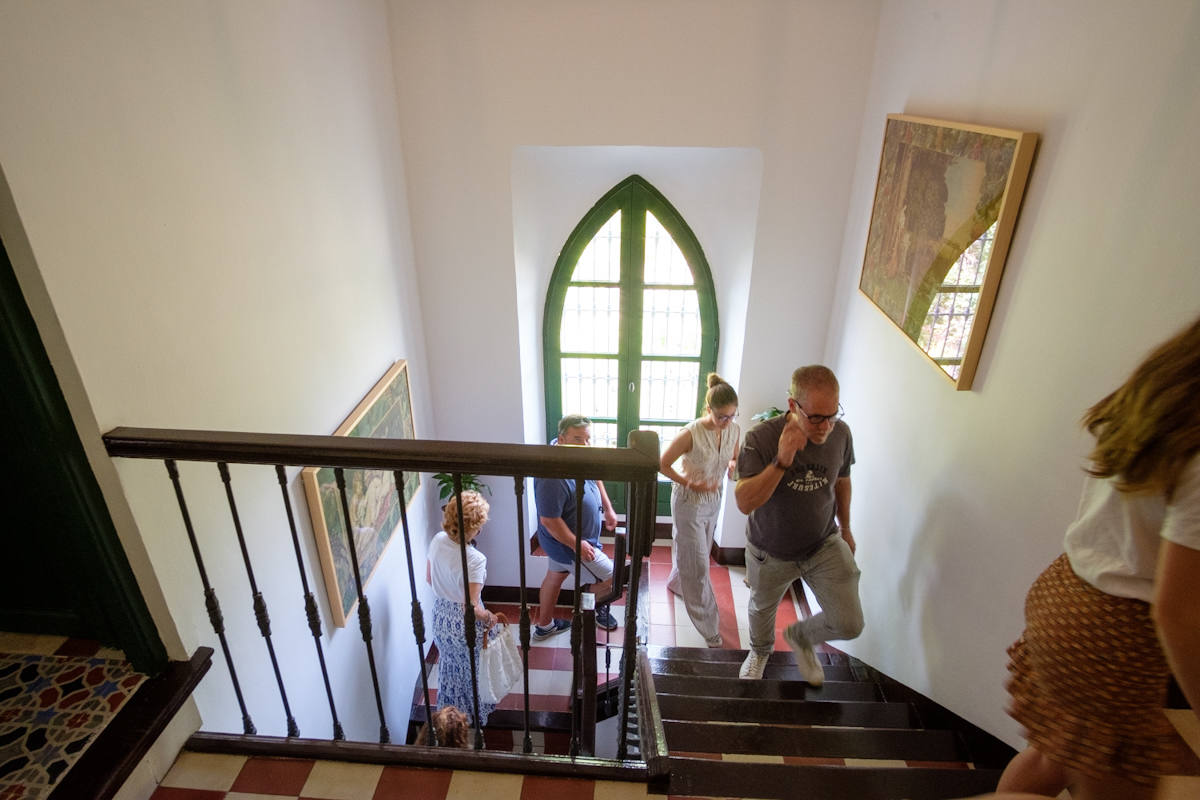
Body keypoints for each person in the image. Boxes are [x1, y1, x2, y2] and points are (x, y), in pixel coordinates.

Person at [995, 315, 1200, 800]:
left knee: (1053, 755)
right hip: (1112, 633)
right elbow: (1178, 612)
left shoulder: (1160, 408)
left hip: (1066, 592)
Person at [734, 365, 861, 684]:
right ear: (793, 405)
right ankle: (760, 651)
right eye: (816, 417)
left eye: (832, 414)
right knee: (761, 609)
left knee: (850, 623)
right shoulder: (761, 438)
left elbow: (842, 481)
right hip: (769, 550)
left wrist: (846, 528)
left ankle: (802, 635)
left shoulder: (841, 433)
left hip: (823, 544)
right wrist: (782, 460)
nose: (826, 426)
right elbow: (744, 502)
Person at [660, 373, 741, 648]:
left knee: (698, 551)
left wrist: (732, 467)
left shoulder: (734, 430)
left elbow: (733, 459)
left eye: (731, 416)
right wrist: (689, 482)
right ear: (708, 410)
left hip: (714, 500)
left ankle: (676, 582)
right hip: (688, 502)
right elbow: (662, 463)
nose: (726, 422)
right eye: (721, 416)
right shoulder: (690, 433)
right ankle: (709, 628)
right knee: (698, 566)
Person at [532, 414, 620, 639]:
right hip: (568, 544)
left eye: (587, 439)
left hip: (571, 540)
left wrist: (608, 507)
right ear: (561, 439)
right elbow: (549, 520)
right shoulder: (552, 473)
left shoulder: (576, 453)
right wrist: (577, 544)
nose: (584, 444)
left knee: (555, 577)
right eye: (578, 438)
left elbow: (595, 477)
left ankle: (544, 626)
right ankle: (589, 606)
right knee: (615, 579)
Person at [426, 490, 501, 726]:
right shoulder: (474, 559)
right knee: (473, 672)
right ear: (475, 528)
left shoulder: (437, 540)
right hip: (462, 623)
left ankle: (449, 719)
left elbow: (429, 578)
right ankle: (473, 718)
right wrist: (490, 617)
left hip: (440, 616)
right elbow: (471, 608)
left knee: (450, 668)